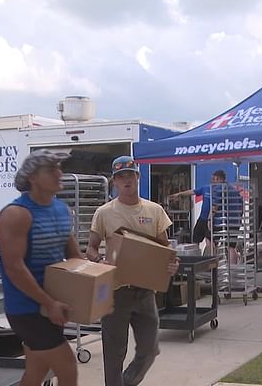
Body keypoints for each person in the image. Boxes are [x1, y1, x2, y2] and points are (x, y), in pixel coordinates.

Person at [85, 156, 179, 386]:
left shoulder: (154, 211)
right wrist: (100, 261)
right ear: (114, 182)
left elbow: (164, 250)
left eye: (130, 174)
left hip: (145, 292)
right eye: (120, 177)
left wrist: (172, 265)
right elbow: (91, 248)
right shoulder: (104, 213)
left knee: (150, 349)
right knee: (114, 354)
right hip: (116, 293)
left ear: (138, 177)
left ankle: (127, 382)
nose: (126, 180)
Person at [0, 149, 80, 386]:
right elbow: (14, 268)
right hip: (27, 309)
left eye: (59, 168)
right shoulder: (17, 214)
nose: (59, 173)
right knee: (68, 369)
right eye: (50, 170)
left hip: (52, 304)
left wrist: (101, 273)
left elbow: (74, 256)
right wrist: (49, 303)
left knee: (36, 371)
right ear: (32, 177)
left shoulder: (62, 210)